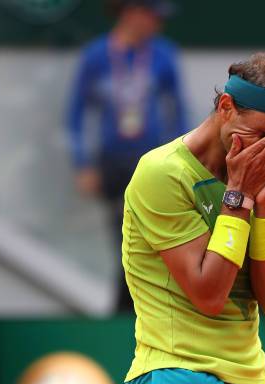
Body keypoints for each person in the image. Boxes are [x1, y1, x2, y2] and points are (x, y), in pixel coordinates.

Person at [121, 53, 265, 384]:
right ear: (226, 107)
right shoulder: (162, 173)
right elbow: (209, 295)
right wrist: (240, 196)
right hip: (176, 378)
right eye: (261, 134)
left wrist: (264, 205)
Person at [66, 0, 188, 312]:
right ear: (132, 13)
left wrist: (185, 161)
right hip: (113, 164)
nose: (157, 24)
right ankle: (128, 309)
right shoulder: (96, 56)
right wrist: (82, 164)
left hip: (153, 164)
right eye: (152, 16)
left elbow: (179, 113)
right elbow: (76, 115)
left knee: (148, 238)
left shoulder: (163, 55)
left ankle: (130, 308)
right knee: (125, 237)